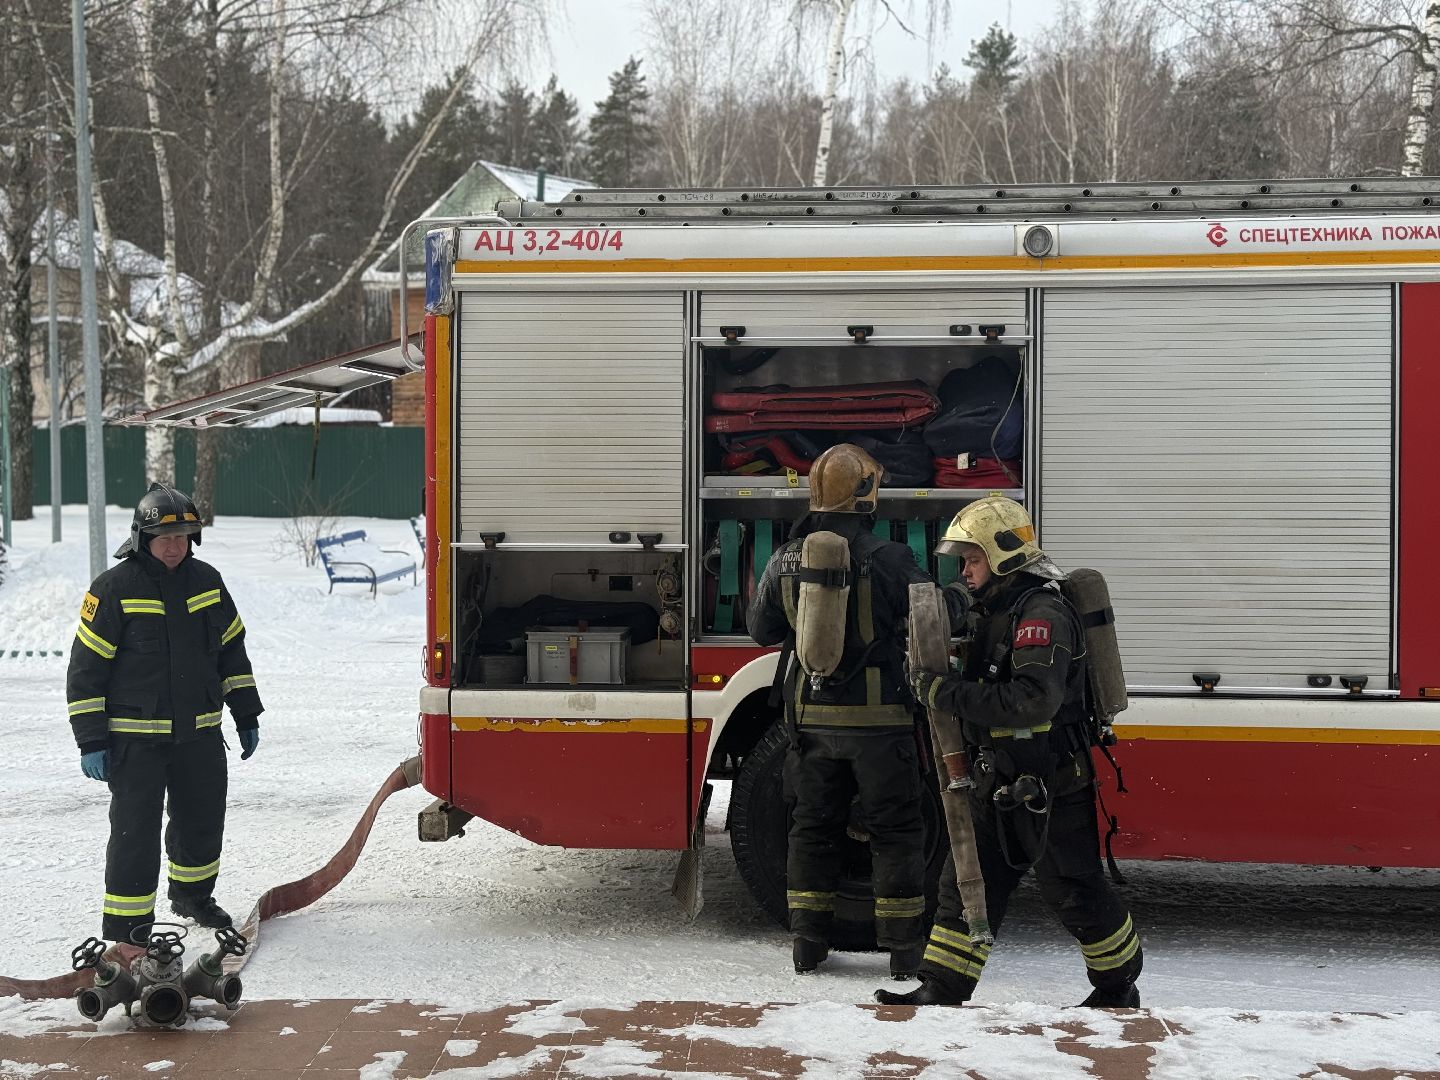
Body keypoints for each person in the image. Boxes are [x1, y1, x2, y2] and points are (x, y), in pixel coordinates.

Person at [875, 495, 1143, 1009]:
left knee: (1073, 888)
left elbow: (1030, 700)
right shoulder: (997, 609)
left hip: (1050, 782)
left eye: (972, 560)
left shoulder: (1042, 615)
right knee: (966, 880)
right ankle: (942, 986)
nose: (965, 571)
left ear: (1002, 558)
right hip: (996, 776)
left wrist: (943, 691)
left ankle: (1117, 986)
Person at [747, 443, 960, 978]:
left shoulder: (786, 557)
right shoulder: (889, 558)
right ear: (866, 495)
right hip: (881, 725)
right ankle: (904, 948)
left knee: (812, 828)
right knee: (895, 831)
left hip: (810, 725)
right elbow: (927, 617)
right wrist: (960, 597)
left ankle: (807, 942)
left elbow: (761, 630)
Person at [66, 483, 263, 944]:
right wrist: (92, 740)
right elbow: (85, 672)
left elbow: (232, 655)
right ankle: (127, 926)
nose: (175, 547)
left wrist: (247, 714)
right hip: (136, 744)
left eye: (183, 537)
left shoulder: (207, 582)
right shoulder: (112, 589)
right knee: (135, 833)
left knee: (201, 819)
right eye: (164, 539)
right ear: (142, 539)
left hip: (200, 735)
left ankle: (193, 897)